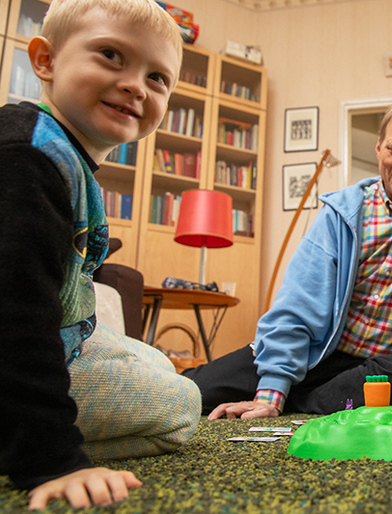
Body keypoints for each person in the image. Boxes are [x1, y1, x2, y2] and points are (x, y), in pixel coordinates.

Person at [184, 96, 392, 419]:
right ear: (379, 149)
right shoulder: (343, 212)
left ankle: (298, 403)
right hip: (313, 356)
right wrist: (271, 392)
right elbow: (297, 305)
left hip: (376, 372)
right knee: (188, 393)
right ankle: (295, 394)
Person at [0, 0, 201, 509]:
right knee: (182, 402)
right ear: (44, 60)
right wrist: (51, 459)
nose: (136, 85)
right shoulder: (28, 160)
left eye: (157, 78)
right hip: (21, 355)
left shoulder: (62, 153)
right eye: (111, 55)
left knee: (156, 359)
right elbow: (15, 314)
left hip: (67, 338)